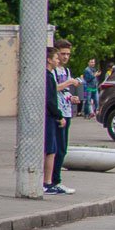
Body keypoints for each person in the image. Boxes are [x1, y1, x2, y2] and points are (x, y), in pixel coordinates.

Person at [49, 40, 82, 192]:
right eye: (62, 54)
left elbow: (64, 91)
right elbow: (53, 89)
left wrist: (71, 98)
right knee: (55, 149)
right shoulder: (53, 72)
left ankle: (56, 179)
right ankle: (52, 180)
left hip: (67, 111)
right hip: (57, 112)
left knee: (62, 148)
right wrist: (68, 83)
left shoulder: (66, 71)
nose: (65, 57)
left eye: (68, 54)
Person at [42, 48, 68, 196]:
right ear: (49, 59)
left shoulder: (47, 76)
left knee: (49, 149)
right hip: (49, 117)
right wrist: (59, 116)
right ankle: (47, 182)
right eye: (56, 58)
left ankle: (46, 182)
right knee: (51, 150)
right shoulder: (48, 77)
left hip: (47, 116)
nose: (58, 60)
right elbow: (50, 100)